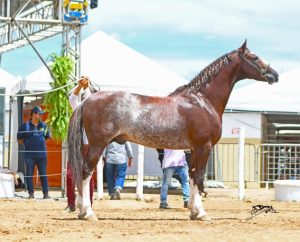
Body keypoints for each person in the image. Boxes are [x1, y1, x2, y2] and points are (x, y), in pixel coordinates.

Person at [64, 76, 95, 213]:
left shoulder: (94, 113)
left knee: (88, 176)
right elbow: (72, 98)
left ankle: (89, 203)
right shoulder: (78, 108)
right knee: (70, 175)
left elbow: (88, 98)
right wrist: (80, 86)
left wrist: (86, 87)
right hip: (77, 148)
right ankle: (71, 203)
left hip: (88, 148)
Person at [17, 106, 51, 199]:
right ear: (34, 114)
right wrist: (28, 143)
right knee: (29, 174)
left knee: (43, 174)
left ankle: (46, 193)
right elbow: (19, 140)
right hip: (29, 155)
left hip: (42, 155)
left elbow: (47, 138)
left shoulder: (44, 126)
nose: (41, 116)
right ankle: (31, 193)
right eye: (40, 114)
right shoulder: (24, 126)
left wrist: (39, 144)